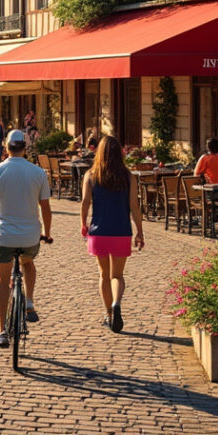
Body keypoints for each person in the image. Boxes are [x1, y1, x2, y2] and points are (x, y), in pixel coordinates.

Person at [0, 129, 53, 347]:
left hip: (4, 235)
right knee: (28, 262)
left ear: (6, 147)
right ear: (26, 148)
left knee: (2, 278)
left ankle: (1, 331)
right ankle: (29, 301)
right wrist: (47, 234)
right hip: (30, 236)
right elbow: (46, 208)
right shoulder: (38, 172)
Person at [80, 135, 145, 333]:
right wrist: (140, 232)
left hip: (99, 232)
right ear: (120, 154)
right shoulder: (128, 176)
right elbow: (134, 206)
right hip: (121, 231)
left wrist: (83, 224)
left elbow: (85, 203)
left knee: (103, 275)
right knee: (117, 275)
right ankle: (117, 303)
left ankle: (109, 313)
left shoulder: (91, 175)